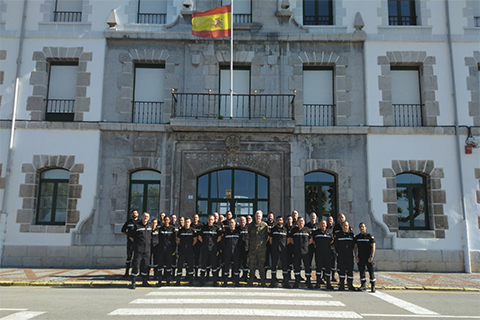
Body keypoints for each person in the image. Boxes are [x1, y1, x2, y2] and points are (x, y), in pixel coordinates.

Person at [129, 212, 152, 289]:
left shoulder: (150, 226)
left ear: (149, 218)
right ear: (142, 217)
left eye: (147, 216)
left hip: (147, 249)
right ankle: (133, 282)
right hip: (138, 249)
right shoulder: (137, 225)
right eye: (144, 216)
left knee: (145, 266)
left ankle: (144, 281)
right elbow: (131, 237)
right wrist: (137, 244)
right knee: (136, 265)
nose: (145, 217)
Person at [198, 215, 222, 286]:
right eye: (209, 219)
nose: (210, 221)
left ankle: (214, 281)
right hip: (205, 249)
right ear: (207, 219)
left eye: (211, 219)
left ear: (214, 220)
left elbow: (219, 238)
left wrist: (213, 244)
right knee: (203, 265)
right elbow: (199, 237)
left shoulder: (216, 228)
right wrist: (205, 243)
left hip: (213, 249)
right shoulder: (203, 227)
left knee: (214, 265)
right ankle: (201, 281)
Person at [289, 217, 313, 289]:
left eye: (302, 221)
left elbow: (310, 240)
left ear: (304, 222)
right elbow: (291, 240)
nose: (301, 222)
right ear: (297, 222)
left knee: (307, 266)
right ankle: (297, 281)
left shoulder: (307, 230)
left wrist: (305, 246)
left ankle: (308, 281)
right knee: (296, 266)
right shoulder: (294, 230)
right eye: (299, 221)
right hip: (296, 251)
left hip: (305, 251)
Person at [247, 210, 269, 287]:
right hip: (252, 249)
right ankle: (250, 282)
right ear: (255, 216)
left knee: (261, 266)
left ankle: (263, 282)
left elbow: (267, 237)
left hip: (261, 249)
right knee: (252, 266)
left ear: (262, 217)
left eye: (259, 216)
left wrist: (262, 244)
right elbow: (248, 236)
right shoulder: (251, 225)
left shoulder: (265, 225)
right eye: (256, 216)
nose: (258, 217)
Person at [312, 219, 334, 290]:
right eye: (321, 224)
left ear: (326, 224)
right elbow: (313, 241)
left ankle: (328, 283)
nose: (323, 225)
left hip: (327, 253)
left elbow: (332, 241)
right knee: (318, 268)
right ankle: (318, 283)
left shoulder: (330, 232)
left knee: (328, 268)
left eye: (324, 224)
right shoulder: (316, 232)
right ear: (319, 225)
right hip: (319, 252)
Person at [269, 215, 290, 288]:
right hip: (275, 250)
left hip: (283, 250)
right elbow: (270, 239)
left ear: (283, 221)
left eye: (280, 220)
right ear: (276, 221)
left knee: (285, 266)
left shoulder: (285, 229)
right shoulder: (273, 229)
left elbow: (288, 240)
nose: (279, 221)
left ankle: (286, 282)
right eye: (278, 220)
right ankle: (272, 282)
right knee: (274, 266)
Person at [335, 221, 356, 291]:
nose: (345, 227)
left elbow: (354, 245)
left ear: (348, 226)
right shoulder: (338, 235)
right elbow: (336, 245)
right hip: (341, 255)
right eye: (344, 225)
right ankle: (342, 285)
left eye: (346, 225)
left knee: (350, 270)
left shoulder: (351, 235)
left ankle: (350, 285)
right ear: (342, 226)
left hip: (349, 255)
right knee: (342, 270)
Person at [355, 222, 376, 292]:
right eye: (360, 227)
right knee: (362, 271)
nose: (361, 228)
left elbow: (373, 246)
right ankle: (363, 285)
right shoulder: (357, 237)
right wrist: (356, 256)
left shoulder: (369, 236)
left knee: (371, 271)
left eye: (363, 227)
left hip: (368, 256)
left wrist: (371, 256)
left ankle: (373, 286)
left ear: (365, 227)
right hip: (361, 256)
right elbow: (355, 247)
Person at [156, 216, 177, 286]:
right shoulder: (160, 229)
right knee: (160, 265)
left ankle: (168, 280)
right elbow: (158, 238)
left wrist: (174, 249)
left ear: (169, 221)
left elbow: (174, 240)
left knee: (168, 265)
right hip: (161, 249)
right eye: (165, 220)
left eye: (168, 220)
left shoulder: (172, 229)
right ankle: (159, 280)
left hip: (169, 250)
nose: (166, 221)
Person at [176, 217, 197, 286]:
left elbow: (195, 240)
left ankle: (190, 281)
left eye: (188, 222)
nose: (187, 223)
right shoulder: (181, 230)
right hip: (182, 250)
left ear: (190, 223)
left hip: (189, 251)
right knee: (180, 265)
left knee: (190, 266)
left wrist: (190, 246)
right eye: (186, 222)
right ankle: (178, 280)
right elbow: (178, 240)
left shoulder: (192, 230)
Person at [222, 218, 241, 286]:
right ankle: (225, 281)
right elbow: (223, 242)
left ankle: (236, 281)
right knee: (226, 267)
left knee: (236, 267)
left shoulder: (238, 231)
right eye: (230, 223)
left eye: (232, 222)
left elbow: (241, 242)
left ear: (235, 223)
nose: (231, 224)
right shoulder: (226, 232)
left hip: (236, 252)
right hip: (227, 252)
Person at [121, 210, 139, 278]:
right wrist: (129, 235)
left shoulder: (139, 222)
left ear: (138, 214)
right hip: (130, 242)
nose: (134, 214)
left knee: (136, 258)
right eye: (133, 213)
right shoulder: (128, 222)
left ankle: (134, 272)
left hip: (137, 242)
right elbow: (123, 231)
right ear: (131, 214)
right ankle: (126, 272)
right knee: (129, 257)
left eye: (136, 213)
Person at [305, 212, 318, 281]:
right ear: (309, 218)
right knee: (308, 262)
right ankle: (308, 277)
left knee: (318, 262)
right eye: (311, 217)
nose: (313, 218)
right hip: (309, 246)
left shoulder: (318, 226)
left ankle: (319, 278)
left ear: (316, 218)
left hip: (317, 247)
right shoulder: (306, 226)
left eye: (314, 217)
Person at [191, 213, 203, 279]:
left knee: (197, 259)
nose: (195, 219)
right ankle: (189, 274)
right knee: (190, 260)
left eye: (196, 218)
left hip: (199, 245)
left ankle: (196, 274)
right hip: (191, 245)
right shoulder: (190, 225)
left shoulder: (201, 226)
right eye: (194, 217)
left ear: (198, 219)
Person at [238, 216, 249, 281]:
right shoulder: (237, 228)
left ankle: (245, 276)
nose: (242, 222)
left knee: (246, 264)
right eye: (241, 220)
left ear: (246, 221)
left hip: (246, 249)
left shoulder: (248, 228)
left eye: (243, 220)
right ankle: (237, 276)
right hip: (238, 249)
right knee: (238, 263)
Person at [326, 215, 337, 282]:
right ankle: (324, 276)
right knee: (325, 262)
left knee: (333, 262)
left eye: (331, 220)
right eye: (328, 220)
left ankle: (333, 276)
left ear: (333, 221)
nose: (329, 221)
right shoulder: (325, 228)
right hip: (326, 247)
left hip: (334, 247)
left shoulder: (335, 228)